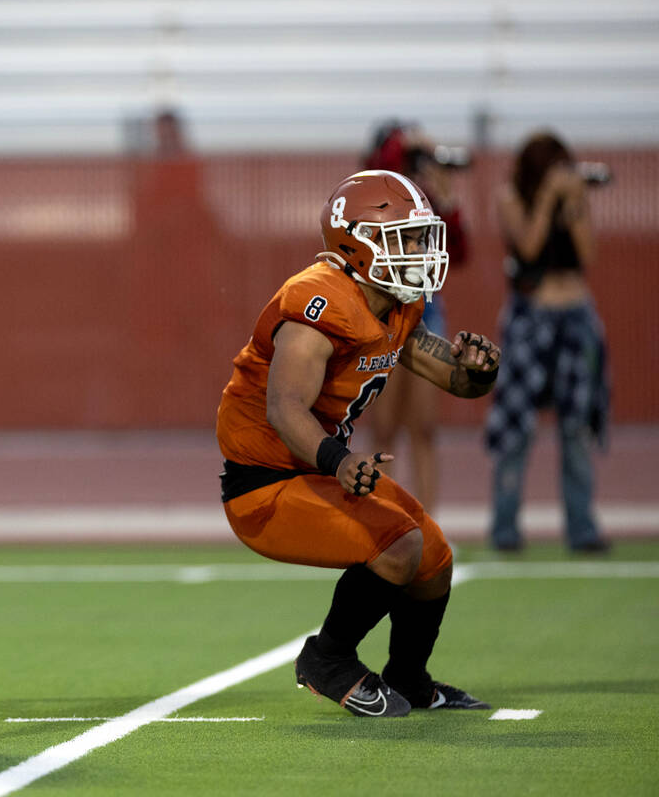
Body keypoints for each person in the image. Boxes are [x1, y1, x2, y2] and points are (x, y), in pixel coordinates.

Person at [216, 169, 500, 717]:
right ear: (358, 242)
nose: (419, 251)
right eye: (407, 239)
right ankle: (328, 658)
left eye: (421, 239)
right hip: (266, 484)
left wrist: (478, 371)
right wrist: (339, 461)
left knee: (434, 556)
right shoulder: (318, 302)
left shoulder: (393, 305)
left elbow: (456, 382)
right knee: (399, 545)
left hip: (318, 471)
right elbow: (284, 408)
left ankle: (411, 679)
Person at [485, 131, 611, 553]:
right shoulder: (511, 196)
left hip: (576, 314)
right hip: (531, 316)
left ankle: (582, 528)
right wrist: (547, 198)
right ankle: (504, 528)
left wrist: (572, 201)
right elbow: (529, 245)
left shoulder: (573, 198)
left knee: (576, 427)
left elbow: (587, 253)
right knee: (518, 425)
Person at [361, 121, 471, 515]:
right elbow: (381, 164)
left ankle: (428, 524)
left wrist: (446, 194)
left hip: (425, 312)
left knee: (424, 428)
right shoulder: (375, 193)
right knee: (385, 429)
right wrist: (408, 143)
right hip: (382, 313)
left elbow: (458, 252)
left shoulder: (424, 200)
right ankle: (382, 521)